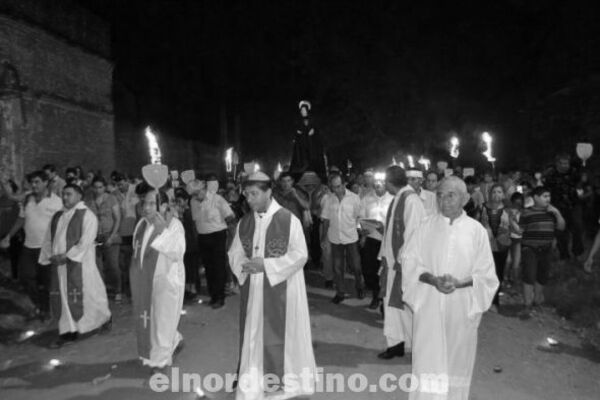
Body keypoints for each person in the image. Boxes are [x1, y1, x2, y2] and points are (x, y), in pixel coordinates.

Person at [402, 176, 499, 400]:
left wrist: (459, 283)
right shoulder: (425, 226)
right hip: (430, 307)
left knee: (457, 363)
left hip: (461, 308)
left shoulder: (477, 232)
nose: (443, 201)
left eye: (451, 195)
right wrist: (433, 280)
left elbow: (487, 276)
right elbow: (410, 262)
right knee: (428, 359)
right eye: (440, 195)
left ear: (465, 199)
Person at [228, 172, 317, 399]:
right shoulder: (245, 222)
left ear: (268, 192)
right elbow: (235, 251)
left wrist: (266, 266)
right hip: (254, 290)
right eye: (247, 194)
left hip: (282, 292)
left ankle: (284, 384)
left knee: (279, 337)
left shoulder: (289, 220)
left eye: (254, 194)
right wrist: (243, 266)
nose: (249, 199)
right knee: (254, 335)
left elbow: (300, 255)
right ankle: (254, 383)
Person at [39, 184, 112, 347]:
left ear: (79, 196)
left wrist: (68, 256)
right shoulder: (57, 216)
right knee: (63, 298)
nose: (65, 197)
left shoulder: (87, 216)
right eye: (63, 194)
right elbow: (48, 238)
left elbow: (85, 241)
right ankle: (68, 331)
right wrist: (48, 256)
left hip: (81, 266)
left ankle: (104, 318)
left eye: (69, 194)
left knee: (90, 296)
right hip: (59, 267)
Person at [130, 184, 185, 373]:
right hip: (145, 280)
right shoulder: (141, 224)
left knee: (163, 318)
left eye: (152, 204)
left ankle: (161, 360)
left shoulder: (173, 225)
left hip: (166, 280)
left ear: (164, 206)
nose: (146, 208)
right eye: (145, 203)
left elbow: (177, 252)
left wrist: (163, 231)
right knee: (153, 318)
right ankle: (173, 340)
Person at [377, 166, 426, 359]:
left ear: (390, 183)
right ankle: (396, 344)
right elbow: (392, 233)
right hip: (392, 265)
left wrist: (401, 263)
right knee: (392, 307)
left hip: (404, 266)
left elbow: (414, 236)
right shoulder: (398, 198)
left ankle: (417, 348)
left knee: (406, 307)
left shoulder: (411, 201)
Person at [2, 171, 63, 317]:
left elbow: (62, 224)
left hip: (47, 248)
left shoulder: (56, 202)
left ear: (45, 183)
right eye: (32, 183)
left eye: (37, 182)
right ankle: (39, 304)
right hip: (29, 247)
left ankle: (46, 310)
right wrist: (8, 237)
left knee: (45, 282)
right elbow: (21, 219)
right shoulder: (28, 199)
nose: (34, 185)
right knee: (25, 278)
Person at [518, 186, 565, 318]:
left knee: (542, 276)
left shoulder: (551, 213)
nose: (548, 199)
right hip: (530, 249)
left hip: (546, 249)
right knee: (529, 275)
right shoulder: (526, 213)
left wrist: (557, 213)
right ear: (535, 198)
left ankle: (536, 301)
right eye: (545, 196)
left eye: (549, 196)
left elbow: (561, 227)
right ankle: (527, 305)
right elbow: (520, 230)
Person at [190, 179, 235, 309]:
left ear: (204, 189)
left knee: (218, 267)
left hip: (218, 236)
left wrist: (231, 235)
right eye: (192, 194)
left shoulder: (218, 199)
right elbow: (195, 221)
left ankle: (220, 297)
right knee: (208, 267)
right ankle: (213, 295)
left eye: (197, 193)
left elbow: (231, 217)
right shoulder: (193, 201)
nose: (195, 197)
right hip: (202, 237)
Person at [321, 173, 364, 303]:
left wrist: (361, 234)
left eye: (339, 186)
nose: (337, 190)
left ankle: (360, 286)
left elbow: (359, 217)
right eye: (334, 187)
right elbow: (326, 220)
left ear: (344, 184)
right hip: (335, 238)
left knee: (356, 266)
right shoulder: (329, 199)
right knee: (338, 267)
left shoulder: (354, 198)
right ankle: (340, 292)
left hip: (351, 237)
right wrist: (323, 238)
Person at [359, 176, 393, 309]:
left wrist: (384, 228)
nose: (379, 184)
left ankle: (383, 298)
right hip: (371, 238)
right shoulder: (367, 198)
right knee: (369, 269)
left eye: (382, 182)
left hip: (386, 240)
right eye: (376, 182)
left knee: (383, 269)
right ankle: (375, 293)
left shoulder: (392, 199)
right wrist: (361, 230)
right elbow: (360, 217)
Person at [87, 176, 123, 301]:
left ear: (105, 187)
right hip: (95, 236)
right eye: (96, 187)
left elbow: (118, 218)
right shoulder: (89, 201)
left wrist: (112, 236)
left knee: (113, 265)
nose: (98, 190)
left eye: (100, 187)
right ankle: (102, 291)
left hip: (110, 234)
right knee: (98, 266)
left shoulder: (111, 199)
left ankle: (117, 289)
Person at [544, 154, 584, 260]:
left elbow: (580, 185)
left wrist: (580, 191)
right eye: (562, 163)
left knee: (578, 226)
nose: (565, 166)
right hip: (558, 206)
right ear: (557, 163)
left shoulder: (574, 172)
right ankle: (564, 254)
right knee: (561, 231)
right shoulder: (550, 174)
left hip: (574, 204)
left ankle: (577, 252)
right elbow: (545, 190)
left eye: (567, 163)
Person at [479, 184, 511, 311]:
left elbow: (515, 230)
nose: (496, 195)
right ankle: (484, 299)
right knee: (485, 273)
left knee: (498, 274)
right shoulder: (482, 208)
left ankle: (495, 301)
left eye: (499, 192)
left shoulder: (509, 210)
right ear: (489, 194)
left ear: (503, 194)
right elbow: (475, 225)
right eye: (494, 192)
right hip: (485, 247)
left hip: (502, 247)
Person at [114, 173, 139, 299]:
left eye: (121, 184)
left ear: (127, 180)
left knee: (133, 260)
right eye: (117, 185)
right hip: (122, 230)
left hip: (134, 229)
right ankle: (126, 287)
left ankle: (134, 287)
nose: (120, 187)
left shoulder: (135, 190)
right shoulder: (115, 194)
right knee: (124, 262)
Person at [175, 187, 201, 301]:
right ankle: (187, 288)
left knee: (192, 267)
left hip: (191, 244)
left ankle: (193, 289)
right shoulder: (179, 213)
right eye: (177, 201)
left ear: (186, 200)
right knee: (185, 267)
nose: (178, 203)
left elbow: (192, 230)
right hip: (183, 245)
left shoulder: (190, 212)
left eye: (180, 201)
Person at [290, 100, 326, 181]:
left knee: (313, 158)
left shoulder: (312, 120)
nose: (302, 112)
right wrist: (298, 132)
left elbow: (317, 130)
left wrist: (313, 131)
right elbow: (296, 131)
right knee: (301, 158)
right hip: (301, 145)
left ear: (307, 110)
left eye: (304, 110)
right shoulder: (298, 121)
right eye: (301, 110)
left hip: (311, 145)